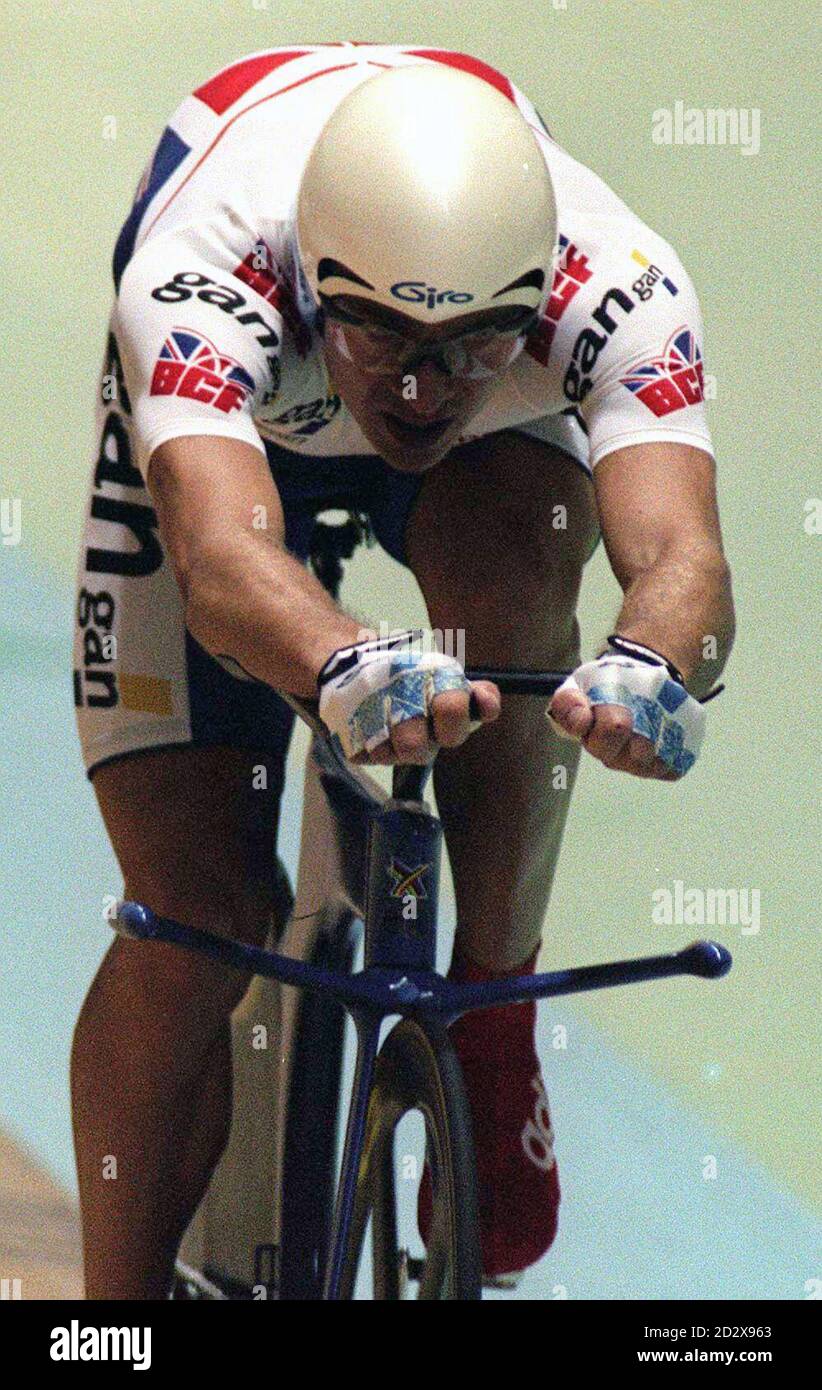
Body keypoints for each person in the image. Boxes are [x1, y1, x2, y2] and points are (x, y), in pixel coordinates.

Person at [71, 44, 735, 1297]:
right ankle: (112, 1322)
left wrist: (654, 663)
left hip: (493, 466)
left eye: (478, 341)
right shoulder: (201, 268)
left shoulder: (624, 286)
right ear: (314, 284)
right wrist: (339, 661)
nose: (426, 386)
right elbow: (218, 560)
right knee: (194, 912)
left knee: (522, 589)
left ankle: (492, 1006)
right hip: (233, 443)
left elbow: (685, 560)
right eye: (382, 335)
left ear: (537, 294)